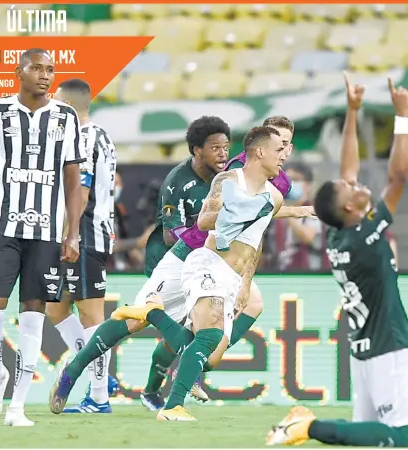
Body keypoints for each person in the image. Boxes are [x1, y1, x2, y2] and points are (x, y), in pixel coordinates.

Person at [266, 74, 408, 447]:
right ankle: (307, 426)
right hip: (389, 347)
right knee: (404, 439)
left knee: (370, 439)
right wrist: (403, 118)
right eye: (353, 189)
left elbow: (345, 173)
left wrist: (353, 112)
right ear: (352, 207)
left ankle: (306, 426)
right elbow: (399, 175)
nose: (357, 184)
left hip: (364, 350)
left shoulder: (339, 230)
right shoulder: (366, 236)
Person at [45, 115, 230, 413]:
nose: (223, 153)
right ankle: (74, 369)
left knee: (197, 329)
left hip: (208, 265)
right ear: (196, 150)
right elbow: (171, 235)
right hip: (172, 261)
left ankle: (155, 390)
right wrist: (209, 233)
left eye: (226, 147)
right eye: (215, 147)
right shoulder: (178, 181)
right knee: (134, 321)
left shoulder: (229, 178)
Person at [111, 125, 291, 421]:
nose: (283, 156)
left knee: (212, 352)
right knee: (208, 337)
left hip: (232, 277)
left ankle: (154, 314)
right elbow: (206, 221)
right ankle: (172, 407)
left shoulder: (274, 196)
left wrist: (245, 284)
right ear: (260, 152)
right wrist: (240, 208)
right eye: (278, 150)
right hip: (207, 263)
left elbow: (254, 241)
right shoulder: (228, 180)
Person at [0, 48, 84, 426]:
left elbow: (73, 176)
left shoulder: (65, 117)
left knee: (33, 319)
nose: (45, 75)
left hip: (45, 233)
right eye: (37, 68)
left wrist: (72, 231)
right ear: (19, 71)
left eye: (50, 70)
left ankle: (18, 407)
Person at [43, 78, 120, 413]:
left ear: (69, 107)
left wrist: (68, 234)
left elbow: (81, 192)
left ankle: (100, 396)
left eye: (56, 103)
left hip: (84, 232)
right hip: (80, 231)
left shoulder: (84, 137)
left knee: (91, 315)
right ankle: (96, 369)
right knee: (55, 308)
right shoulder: (95, 135)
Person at [264, 161, 329, 272]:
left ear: (307, 185)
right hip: (278, 274)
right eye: (288, 180)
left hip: (310, 274)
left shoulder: (313, 210)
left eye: (296, 180)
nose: (291, 184)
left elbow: (308, 236)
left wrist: (287, 211)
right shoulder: (274, 212)